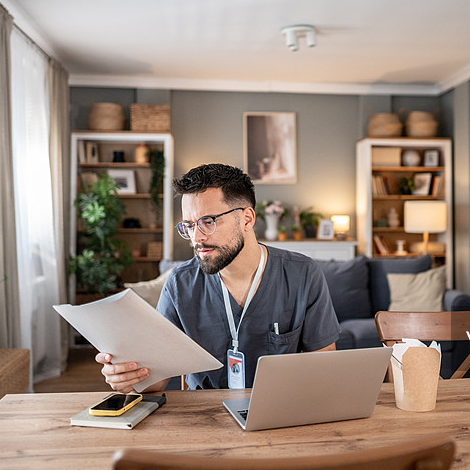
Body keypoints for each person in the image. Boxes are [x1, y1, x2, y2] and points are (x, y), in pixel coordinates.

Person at [97, 163, 340, 391]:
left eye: (208, 221)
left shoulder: (303, 274)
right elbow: (157, 379)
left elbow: (324, 368)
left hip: (280, 416)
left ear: (247, 219)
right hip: (205, 420)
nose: (196, 238)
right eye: (189, 225)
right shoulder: (179, 284)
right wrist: (130, 377)